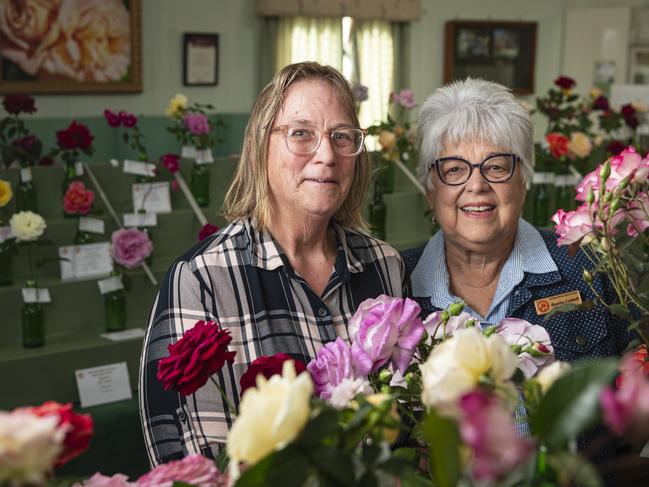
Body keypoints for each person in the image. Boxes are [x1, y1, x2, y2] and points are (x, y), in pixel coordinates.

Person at [139, 62, 403, 466]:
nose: (327, 155)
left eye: (342, 136)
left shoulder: (385, 265)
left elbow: (407, 424)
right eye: (301, 134)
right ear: (260, 147)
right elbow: (194, 464)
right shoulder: (202, 279)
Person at [403, 77, 631, 366]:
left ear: (524, 181)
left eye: (496, 167)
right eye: (455, 169)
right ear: (430, 191)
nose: (476, 185)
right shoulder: (397, 282)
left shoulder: (590, 266)